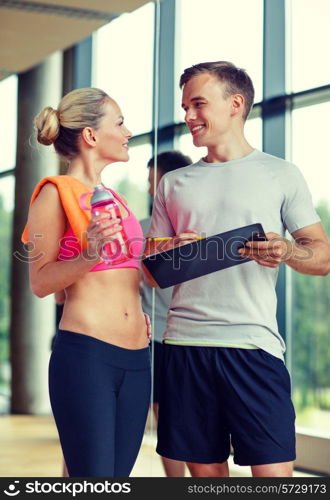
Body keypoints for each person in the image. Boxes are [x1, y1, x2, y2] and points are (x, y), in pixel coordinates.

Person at [143, 61, 330, 478]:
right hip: (185, 346)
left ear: (235, 104)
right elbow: (152, 273)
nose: (188, 116)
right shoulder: (174, 184)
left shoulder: (281, 174)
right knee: (206, 478)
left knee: (274, 477)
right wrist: (171, 249)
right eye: (185, 106)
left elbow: (322, 257)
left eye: (198, 104)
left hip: (253, 346)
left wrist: (286, 251)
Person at [22, 87, 151, 477]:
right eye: (120, 122)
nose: (128, 131)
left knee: (117, 480)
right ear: (91, 136)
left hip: (137, 359)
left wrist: (173, 251)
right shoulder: (53, 194)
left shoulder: (116, 199)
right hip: (89, 357)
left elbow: (130, 273)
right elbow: (41, 283)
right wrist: (89, 253)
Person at [140, 151, 192, 477]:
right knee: (169, 417)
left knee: (171, 417)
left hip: (187, 338)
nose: (149, 191)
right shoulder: (142, 229)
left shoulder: (200, 229)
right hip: (153, 338)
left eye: (152, 183)